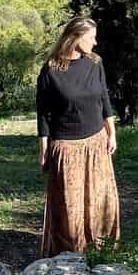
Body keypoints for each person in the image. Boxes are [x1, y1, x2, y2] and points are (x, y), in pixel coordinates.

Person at [36, 16, 120, 257]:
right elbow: (43, 113)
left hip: (96, 143)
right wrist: (43, 149)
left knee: (101, 204)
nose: (95, 42)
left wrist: (111, 133)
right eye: (91, 37)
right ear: (75, 37)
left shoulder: (95, 63)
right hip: (66, 148)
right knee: (70, 213)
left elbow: (104, 99)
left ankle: (103, 256)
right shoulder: (51, 70)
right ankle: (69, 259)